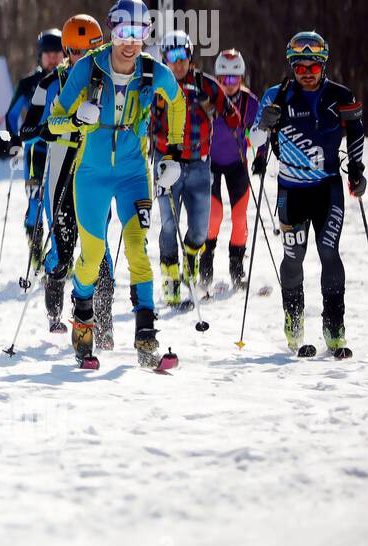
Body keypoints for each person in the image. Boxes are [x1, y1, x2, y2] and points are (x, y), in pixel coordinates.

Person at [47, 0, 186, 370]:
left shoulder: (151, 70)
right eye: (124, 32)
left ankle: (145, 336)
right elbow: (55, 120)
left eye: (138, 32)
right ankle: (83, 319)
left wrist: (172, 151)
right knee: (92, 255)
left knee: (139, 250)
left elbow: (177, 101)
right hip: (91, 174)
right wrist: (77, 119)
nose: (130, 41)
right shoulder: (89, 69)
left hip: (132, 174)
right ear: (112, 30)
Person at [252, 31, 364, 358]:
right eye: (299, 68)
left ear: (323, 66)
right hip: (291, 191)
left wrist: (357, 169)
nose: (306, 74)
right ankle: (294, 322)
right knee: (293, 257)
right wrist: (264, 126)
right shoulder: (277, 95)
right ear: (291, 67)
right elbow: (254, 141)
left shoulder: (340, 95)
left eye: (313, 68)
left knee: (329, 252)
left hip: (327, 189)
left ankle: (334, 327)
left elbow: (356, 129)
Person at [21, 15, 115, 343]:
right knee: (63, 249)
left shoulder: (111, 80)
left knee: (99, 248)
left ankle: (103, 324)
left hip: (96, 169)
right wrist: (62, 124)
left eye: (88, 52)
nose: (81, 60)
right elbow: (27, 128)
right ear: (65, 51)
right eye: (74, 52)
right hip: (62, 167)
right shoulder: (50, 83)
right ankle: (54, 311)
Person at [149, 30, 242, 307]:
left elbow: (232, 116)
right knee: (168, 224)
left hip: (200, 166)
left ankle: (190, 257)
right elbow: (148, 124)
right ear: (164, 59)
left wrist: (217, 112)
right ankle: (171, 281)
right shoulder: (157, 87)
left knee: (200, 230)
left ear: (190, 57)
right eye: (171, 57)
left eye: (183, 57)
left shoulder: (206, 85)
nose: (177, 63)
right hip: (168, 164)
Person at [6, 29, 64, 271]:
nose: (52, 59)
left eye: (57, 53)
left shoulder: (71, 79)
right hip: (35, 152)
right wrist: (14, 141)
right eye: (47, 54)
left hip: (64, 150)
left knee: (61, 203)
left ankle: (62, 253)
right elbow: (10, 115)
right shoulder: (29, 83)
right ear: (39, 57)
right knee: (35, 203)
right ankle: (36, 251)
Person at [202, 49, 260, 291]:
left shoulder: (250, 102)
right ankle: (205, 269)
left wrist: (262, 157)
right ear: (216, 78)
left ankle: (237, 270)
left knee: (239, 218)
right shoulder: (207, 99)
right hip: (211, 164)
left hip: (237, 164)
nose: (228, 85)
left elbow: (259, 134)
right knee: (213, 217)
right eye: (223, 79)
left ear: (242, 79)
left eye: (233, 79)